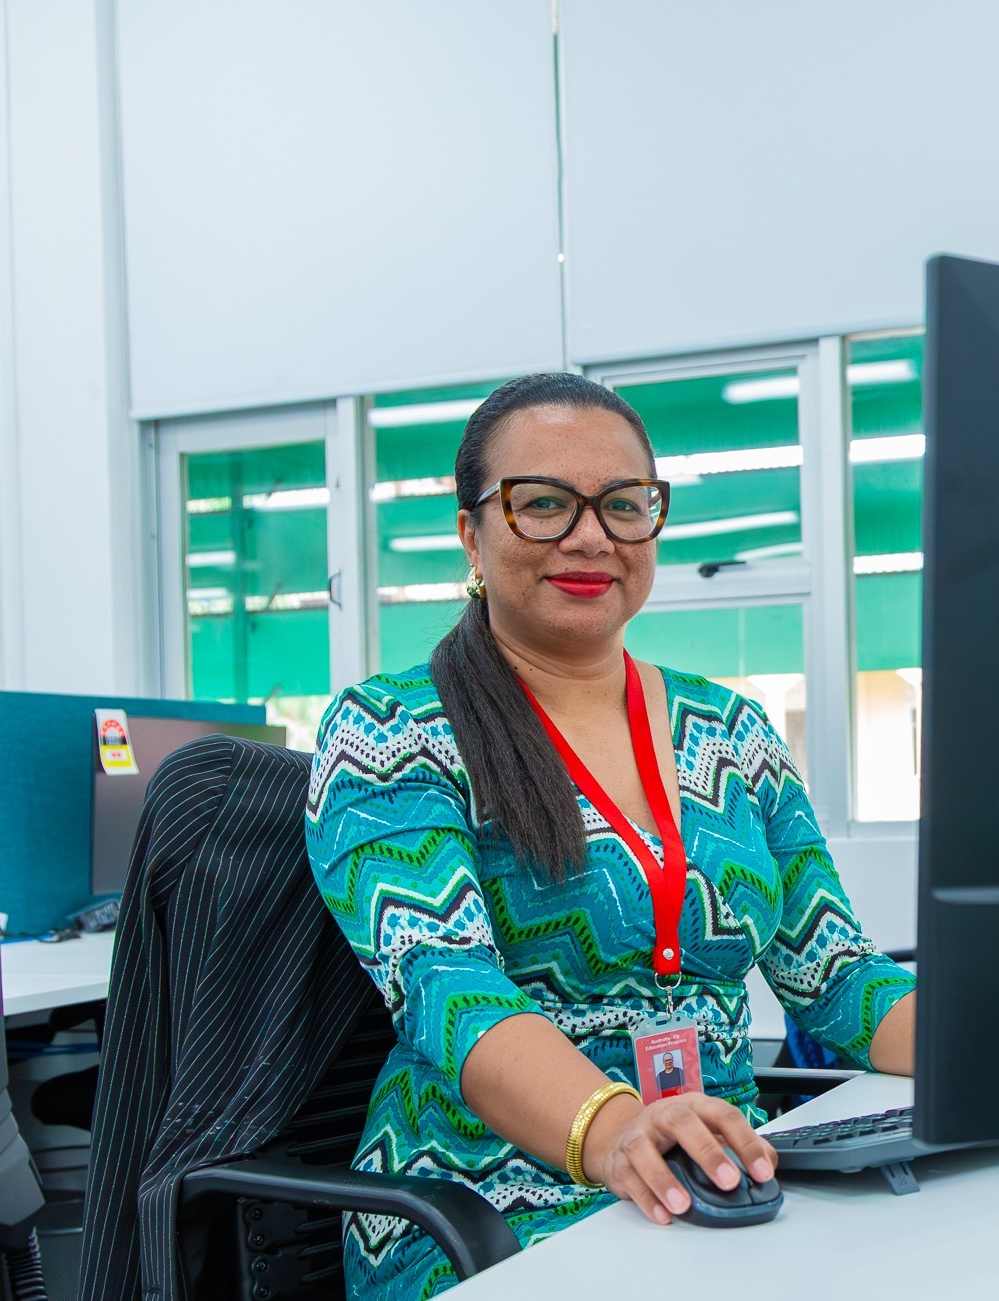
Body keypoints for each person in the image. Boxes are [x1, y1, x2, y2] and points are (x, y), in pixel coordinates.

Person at [306, 373, 917, 1299]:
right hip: (484, 1205)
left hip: (721, 1183)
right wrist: (618, 1126)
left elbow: (838, 978)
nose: (590, 535)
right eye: (543, 503)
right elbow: (448, 991)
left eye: (623, 504)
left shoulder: (732, 732)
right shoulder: (391, 732)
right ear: (472, 532)